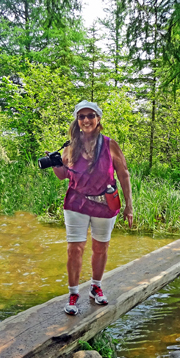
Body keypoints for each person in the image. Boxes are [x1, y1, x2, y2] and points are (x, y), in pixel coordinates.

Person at [51, 100, 133, 315]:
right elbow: (62, 176)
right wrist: (56, 164)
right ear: (77, 121)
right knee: (74, 249)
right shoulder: (70, 146)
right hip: (76, 202)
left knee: (100, 247)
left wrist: (129, 207)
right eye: (81, 116)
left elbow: (123, 174)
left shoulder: (109, 144)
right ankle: (73, 293)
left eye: (90, 115)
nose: (86, 120)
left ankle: (95, 286)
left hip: (105, 203)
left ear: (98, 119)